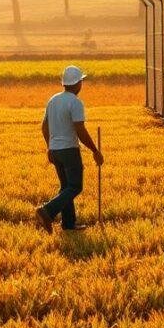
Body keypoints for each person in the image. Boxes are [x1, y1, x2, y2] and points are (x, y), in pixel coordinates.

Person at [36, 65, 103, 232]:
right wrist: (95, 151)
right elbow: (80, 130)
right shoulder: (75, 103)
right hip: (69, 150)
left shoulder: (53, 100)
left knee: (66, 187)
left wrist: (49, 147)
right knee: (75, 187)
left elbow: (44, 127)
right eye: (81, 81)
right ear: (77, 84)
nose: (82, 84)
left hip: (56, 150)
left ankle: (68, 224)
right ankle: (47, 210)